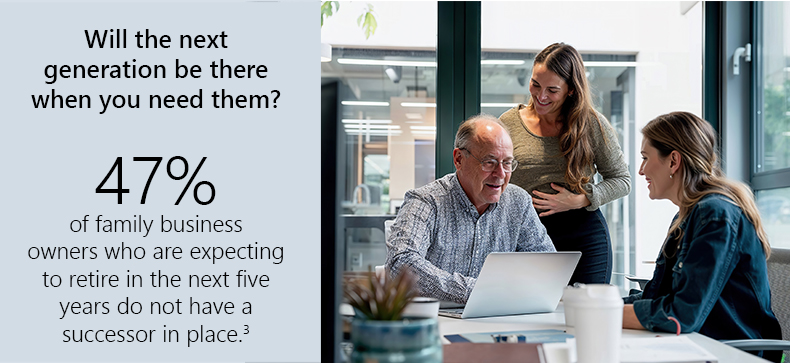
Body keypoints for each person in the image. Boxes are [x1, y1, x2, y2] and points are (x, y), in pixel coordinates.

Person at [623, 111, 782, 362]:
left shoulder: (716, 215)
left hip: (726, 353)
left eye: (645, 158)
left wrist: (604, 313)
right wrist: (594, 302)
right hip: (696, 344)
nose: (641, 170)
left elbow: (681, 315)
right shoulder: (686, 216)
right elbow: (657, 296)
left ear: (673, 161)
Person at [385, 114, 555, 304]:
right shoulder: (426, 201)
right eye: (489, 161)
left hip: (500, 317)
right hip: (437, 320)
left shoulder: (519, 202)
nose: (501, 174)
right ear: (459, 159)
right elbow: (400, 263)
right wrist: (477, 291)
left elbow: (546, 268)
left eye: (507, 163)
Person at [499, 42, 630, 285]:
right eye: (535, 84)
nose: (541, 96)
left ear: (570, 90)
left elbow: (622, 180)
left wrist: (579, 199)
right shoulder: (508, 123)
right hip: (526, 236)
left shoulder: (591, 124)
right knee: (530, 317)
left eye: (553, 90)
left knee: (585, 315)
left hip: (584, 237)